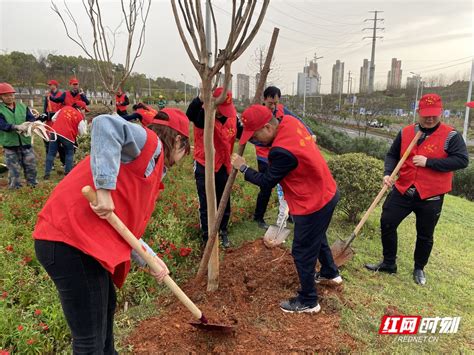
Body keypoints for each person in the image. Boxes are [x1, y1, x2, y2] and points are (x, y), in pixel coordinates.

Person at [33, 107, 190, 353]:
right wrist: (104, 189)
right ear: (179, 140)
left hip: (79, 243)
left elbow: (125, 228)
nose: (182, 159)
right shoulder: (151, 144)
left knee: (104, 312)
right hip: (70, 241)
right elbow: (105, 124)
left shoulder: (149, 165)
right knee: (90, 341)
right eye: (185, 151)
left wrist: (151, 259)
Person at [231, 104, 342, 313]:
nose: (254, 141)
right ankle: (330, 272)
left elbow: (266, 181)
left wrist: (244, 168)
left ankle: (309, 300)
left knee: (302, 251)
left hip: (313, 202)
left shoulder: (281, 151)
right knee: (317, 237)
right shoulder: (290, 122)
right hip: (327, 192)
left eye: (255, 136)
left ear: (267, 128)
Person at [365, 94, 469, 285]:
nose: (430, 118)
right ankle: (389, 263)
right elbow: (392, 155)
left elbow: (462, 160)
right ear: (418, 112)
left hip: (431, 195)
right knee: (387, 222)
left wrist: (429, 162)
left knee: (425, 234)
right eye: (426, 114)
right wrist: (388, 173)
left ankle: (419, 268)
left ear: (441, 113)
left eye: (434, 115)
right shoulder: (405, 132)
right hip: (404, 189)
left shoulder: (451, 135)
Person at [186, 87, 242, 248]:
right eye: (219, 108)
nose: (222, 113)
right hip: (205, 165)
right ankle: (208, 236)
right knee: (207, 203)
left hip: (224, 165)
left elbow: (241, 132)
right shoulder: (202, 115)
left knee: (224, 200)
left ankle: (222, 231)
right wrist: (201, 98)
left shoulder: (231, 116)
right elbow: (190, 114)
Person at [252, 86, 313, 229]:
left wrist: (309, 133)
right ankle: (258, 217)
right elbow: (252, 136)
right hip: (264, 156)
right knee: (266, 186)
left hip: (281, 155)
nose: (273, 106)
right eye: (270, 103)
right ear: (264, 100)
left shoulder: (281, 110)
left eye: (275, 103)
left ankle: (290, 213)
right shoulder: (259, 113)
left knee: (288, 184)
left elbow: (298, 121)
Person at [0, 82, 38, 189]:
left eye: (11, 95)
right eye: (6, 95)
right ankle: (15, 188)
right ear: (1, 97)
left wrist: (30, 124)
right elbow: (2, 125)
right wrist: (16, 127)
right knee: (14, 169)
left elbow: (31, 118)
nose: (9, 97)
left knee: (31, 166)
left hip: (25, 143)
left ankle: (33, 186)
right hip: (10, 145)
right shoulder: (0, 109)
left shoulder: (22, 106)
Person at [44, 102, 88, 179]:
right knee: (69, 153)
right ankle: (67, 173)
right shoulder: (79, 117)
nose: (85, 112)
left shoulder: (64, 108)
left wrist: (61, 123)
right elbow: (83, 134)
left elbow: (53, 118)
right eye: (84, 110)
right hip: (67, 135)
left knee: (51, 153)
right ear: (81, 108)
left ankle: (47, 174)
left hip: (54, 132)